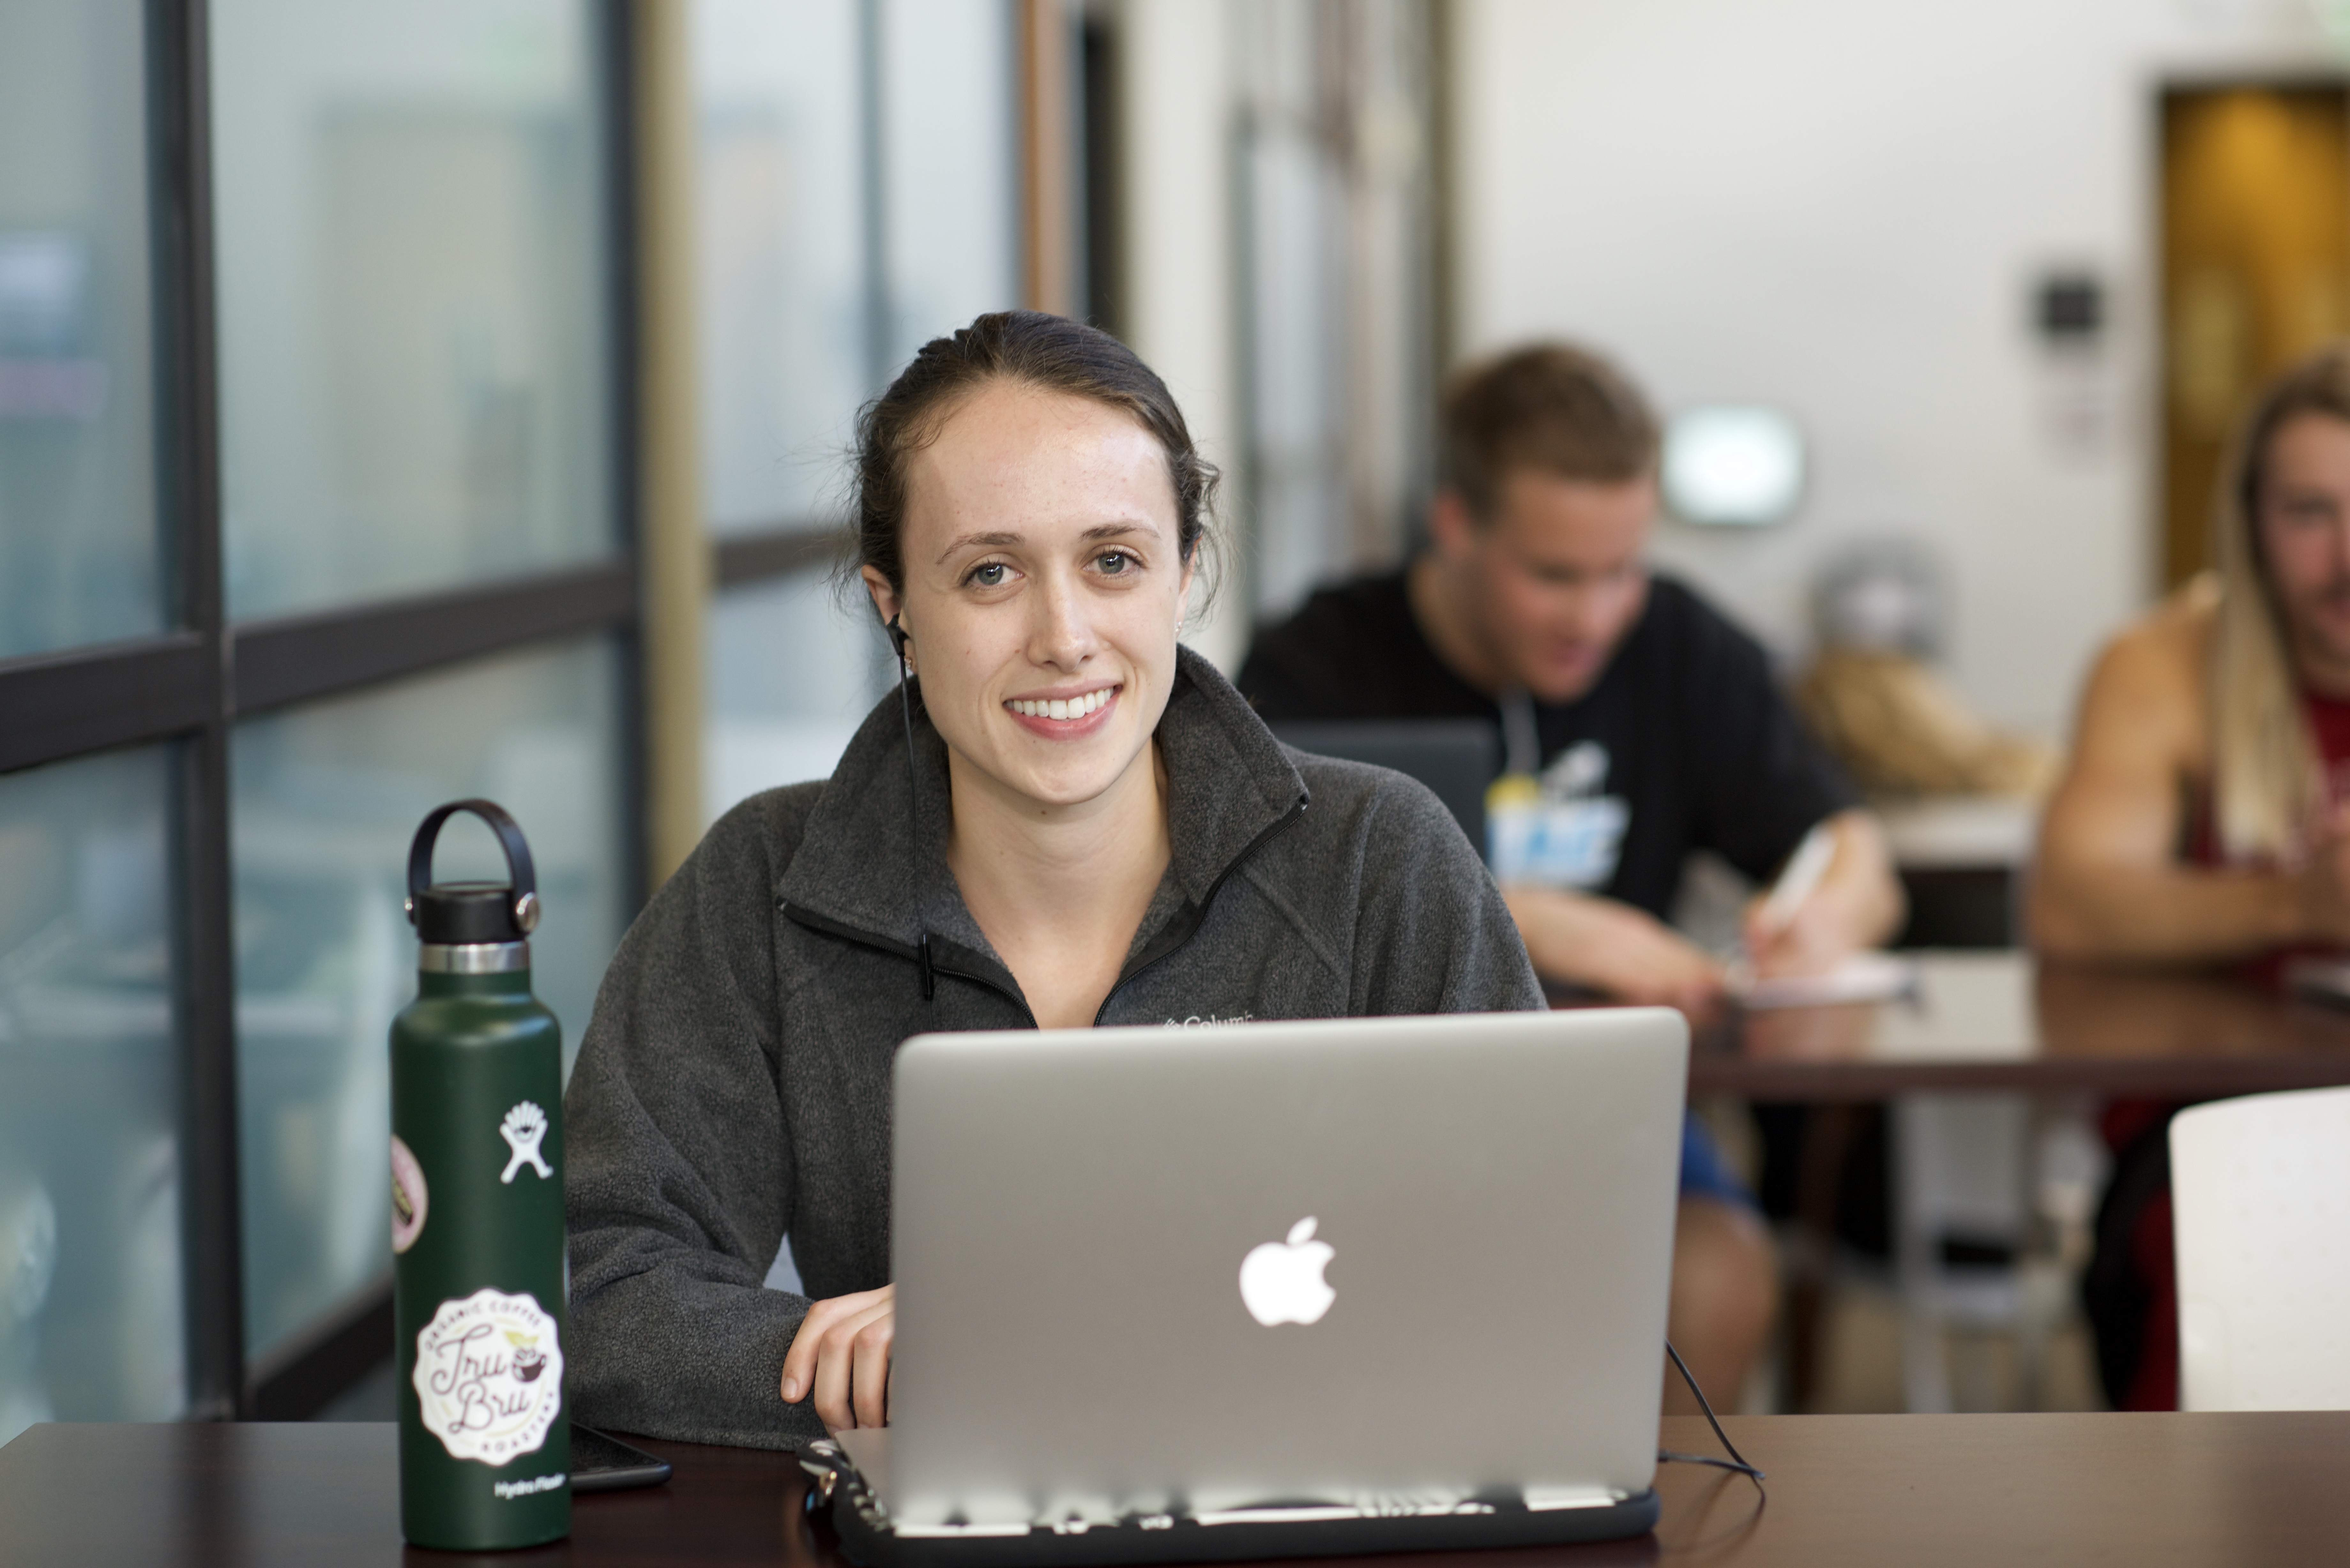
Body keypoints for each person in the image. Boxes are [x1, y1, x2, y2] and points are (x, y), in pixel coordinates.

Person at [564, 312, 1546, 1446]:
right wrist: (853, 1365)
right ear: (896, 607)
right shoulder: (761, 885)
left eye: (1114, 561)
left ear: (1185, 574)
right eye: (990, 574)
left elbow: (1522, 1261)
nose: (1065, 636)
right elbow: (600, 1291)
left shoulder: (1382, 859)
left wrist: (1010, 1343)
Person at [1239, 342, 1906, 1410]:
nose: (1593, 617)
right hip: (1364, 1122)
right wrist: (1539, 922)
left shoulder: (1682, 649)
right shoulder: (1319, 663)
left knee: (1719, 1278)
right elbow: (1245, 886)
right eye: (1554, 574)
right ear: (1457, 524)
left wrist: (1829, 912)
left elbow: (1853, 850)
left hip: (1604, 1109)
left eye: (1622, 572)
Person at [2033, 342, 2350, 1408]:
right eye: (2311, 512)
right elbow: (2072, 903)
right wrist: (2299, 905)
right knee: (2254, 1262)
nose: (2349, 553)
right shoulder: (2164, 664)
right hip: (2212, 1130)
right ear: (2253, 522)